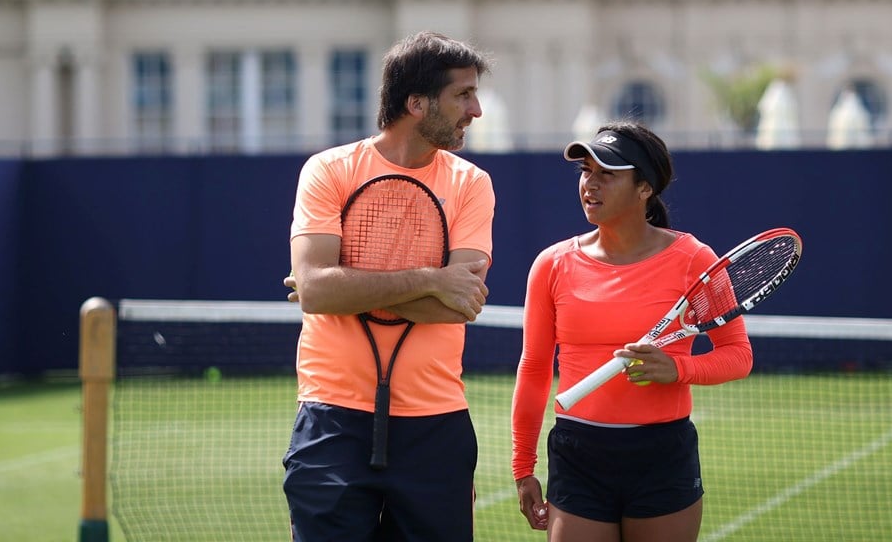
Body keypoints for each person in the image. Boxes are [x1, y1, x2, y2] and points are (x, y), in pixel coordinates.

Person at [281, 31, 495, 541]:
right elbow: (316, 291)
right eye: (462, 95)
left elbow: (458, 305)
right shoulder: (328, 170)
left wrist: (347, 285)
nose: (477, 109)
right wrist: (429, 279)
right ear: (416, 103)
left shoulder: (472, 184)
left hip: (436, 425)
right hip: (332, 419)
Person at [511, 121, 753, 541]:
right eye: (586, 171)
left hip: (662, 453)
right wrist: (522, 467)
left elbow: (738, 355)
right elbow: (533, 368)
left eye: (607, 173)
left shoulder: (695, 260)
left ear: (645, 188)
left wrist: (678, 369)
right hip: (577, 453)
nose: (591, 184)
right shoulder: (551, 264)